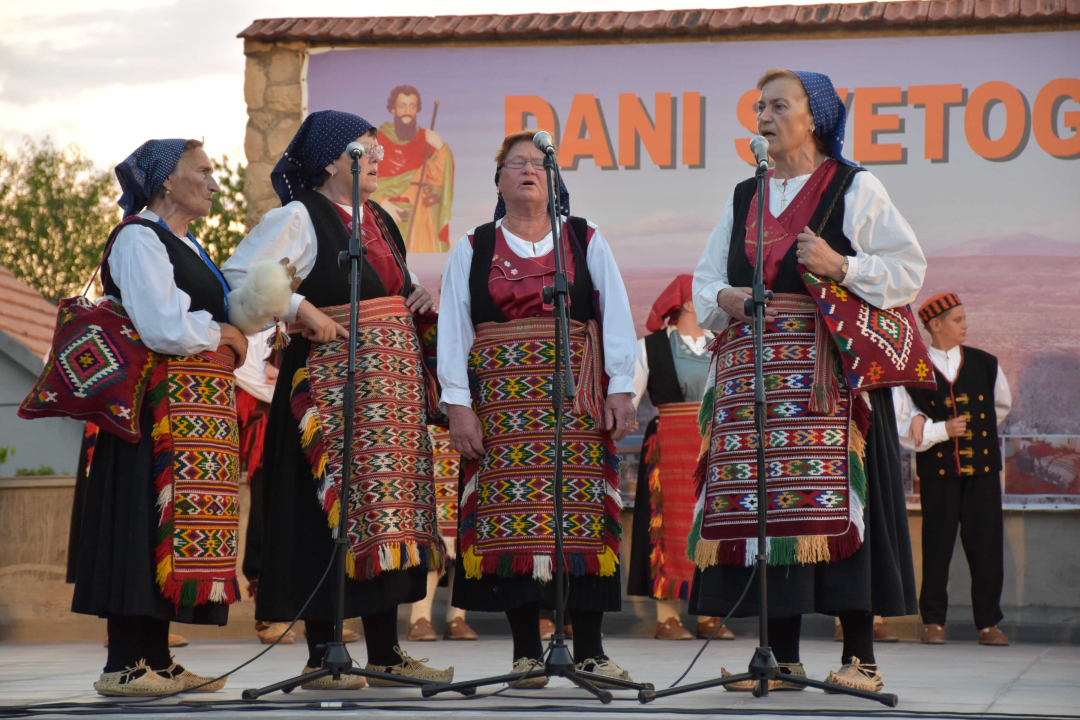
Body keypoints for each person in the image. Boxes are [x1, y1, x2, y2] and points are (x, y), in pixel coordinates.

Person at [691, 70, 926, 693]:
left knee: (842, 510)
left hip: (830, 382)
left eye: (778, 106)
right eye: (758, 107)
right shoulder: (745, 194)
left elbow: (907, 270)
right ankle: (784, 659)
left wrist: (841, 264)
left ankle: (862, 660)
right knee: (773, 512)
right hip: (759, 379)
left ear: (815, 116)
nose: (763, 117)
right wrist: (726, 297)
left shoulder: (854, 185)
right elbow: (705, 280)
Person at [222, 110, 451, 690]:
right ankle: (324, 654)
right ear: (330, 159)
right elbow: (241, 270)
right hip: (325, 389)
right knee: (326, 513)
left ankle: (386, 652)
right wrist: (300, 310)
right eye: (366, 149)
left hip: (387, 390)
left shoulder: (381, 218)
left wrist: (411, 293)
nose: (378, 158)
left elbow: (384, 285)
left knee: (389, 515)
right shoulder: (299, 216)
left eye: (378, 150)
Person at [438, 130, 638, 688]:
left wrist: (620, 387)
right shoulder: (474, 247)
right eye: (517, 163)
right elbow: (454, 330)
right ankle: (527, 652)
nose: (529, 170)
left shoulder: (583, 238)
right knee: (512, 528)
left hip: (577, 407)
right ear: (499, 180)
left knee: (585, 524)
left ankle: (593, 651)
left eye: (540, 164)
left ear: (554, 180)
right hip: (500, 412)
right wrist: (458, 405)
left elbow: (615, 312)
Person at [71, 139, 248, 696]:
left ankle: (158, 659)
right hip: (151, 410)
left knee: (171, 530)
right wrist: (220, 333)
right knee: (140, 522)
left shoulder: (187, 245)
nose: (215, 183)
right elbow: (162, 326)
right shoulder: (138, 239)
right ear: (167, 181)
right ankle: (121, 665)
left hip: (191, 410)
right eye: (204, 171)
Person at [893, 293, 1011, 647]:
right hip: (938, 475)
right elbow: (905, 429)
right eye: (958, 320)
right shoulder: (913, 370)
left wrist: (974, 433)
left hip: (983, 472)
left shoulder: (986, 363)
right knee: (937, 547)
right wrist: (940, 428)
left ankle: (989, 623)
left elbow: (1000, 406)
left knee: (987, 547)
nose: (965, 325)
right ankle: (933, 622)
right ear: (935, 325)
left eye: (964, 318)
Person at [627, 275, 734, 642]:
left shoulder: (721, 344)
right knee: (667, 524)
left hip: (713, 446)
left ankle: (708, 613)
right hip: (669, 446)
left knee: (711, 525)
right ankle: (666, 617)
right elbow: (629, 399)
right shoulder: (651, 347)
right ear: (689, 304)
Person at [405, 426, 479, 642]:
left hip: (461, 431)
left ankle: (456, 617)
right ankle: (418, 618)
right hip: (424, 432)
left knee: (461, 534)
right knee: (429, 534)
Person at [372, 85, 454, 253]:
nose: (407, 111)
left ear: (417, 110)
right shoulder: (378, 140)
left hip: (420, 217)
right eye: (402, 106)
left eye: (412, 106)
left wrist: (441, 149)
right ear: (393, 109)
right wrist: (380, 201)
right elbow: (364, 179)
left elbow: (437, 179)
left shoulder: (426, 140)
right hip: (388, 213)